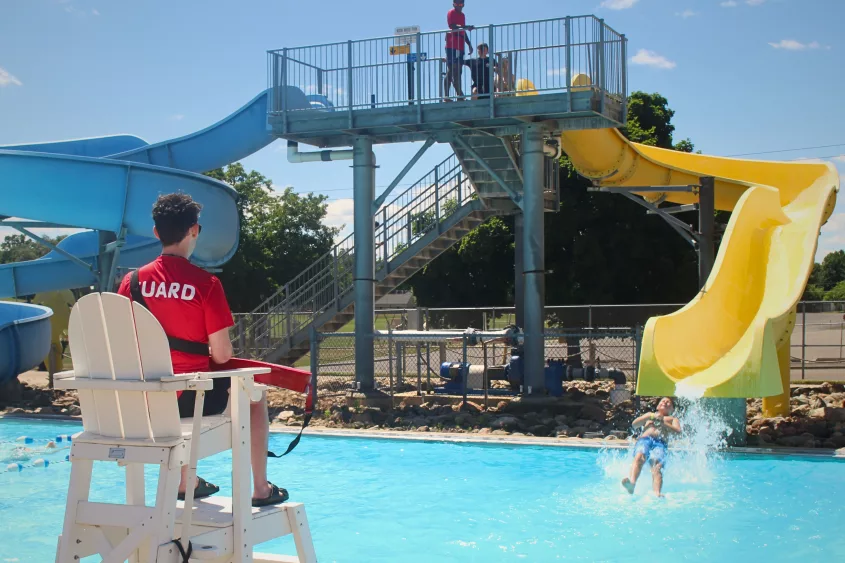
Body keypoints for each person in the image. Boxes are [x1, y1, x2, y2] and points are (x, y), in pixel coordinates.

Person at [117, 193, 288, 508]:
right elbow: (222, 356)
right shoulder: (205, 284)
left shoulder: (131, 282)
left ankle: (187, 479)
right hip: (189, 401)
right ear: (194, 230)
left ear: (156, 233)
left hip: (142, 403)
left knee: (173, 385)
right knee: (255, 395)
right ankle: (261, 488)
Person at [622, 397, 681, 497]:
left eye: (669, 402)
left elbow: (678, 432)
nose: (665, 402)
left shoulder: (672, 419)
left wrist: (664, 423)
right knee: (639, 457)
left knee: (657, 465)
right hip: (645, 440)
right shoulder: (649, 415)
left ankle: (657, 492)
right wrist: (649, 417)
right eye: (663, 401)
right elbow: (634, 424)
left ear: (672, 410)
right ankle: (632, 483)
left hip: (660, 443)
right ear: (657, 406)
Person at [444, 0, 474, 102]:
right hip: (451, 46)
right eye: (457, 4)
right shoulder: (451, 12)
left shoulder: (462, 16)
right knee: (451, 70)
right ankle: (447, 96)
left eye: (461, 4)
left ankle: (459, 95)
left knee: (458, 71)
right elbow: (453, 26)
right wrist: (465, 27)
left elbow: (463, 31)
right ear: (453, 4)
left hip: (460, 47)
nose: (459, 6)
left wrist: (469, 44)